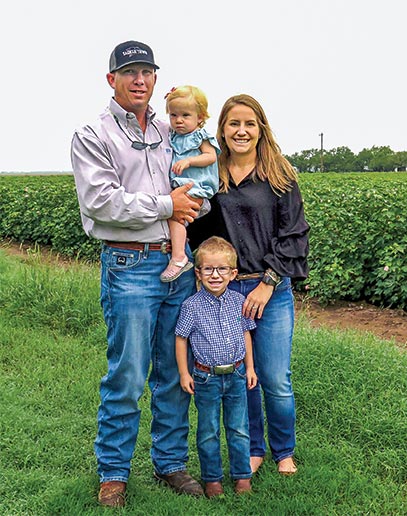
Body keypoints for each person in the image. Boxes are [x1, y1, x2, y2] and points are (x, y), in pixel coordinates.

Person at [70, 40, 206, 508]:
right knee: (127, 374)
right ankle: (113, 472)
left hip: (177, 262)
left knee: (173, 370)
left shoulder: (174, 130)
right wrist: (170, 204)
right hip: (128, 264)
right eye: (129, 72)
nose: (139, 80)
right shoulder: (94, 133)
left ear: (155, 79)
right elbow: (101, 201)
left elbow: (197, 185)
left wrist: (196, 201)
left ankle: (169, 463)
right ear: (112, 80)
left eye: (146, 71)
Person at [187, 93, 310, 476]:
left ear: (260, 129)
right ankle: (254, 450)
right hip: (224, 294)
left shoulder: (279, 175)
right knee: (244, 378)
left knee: (275, 378)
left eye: (249, 124)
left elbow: (294, 235)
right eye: (233, 123)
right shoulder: (212, 175)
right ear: (221, 130)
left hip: (268, 291)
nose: (241, 131)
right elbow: (198, 233)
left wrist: (269, 283)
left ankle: (283, 450)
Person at [175, 236, 258, 497]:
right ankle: (212, 479)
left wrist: (250, 368)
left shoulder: (238, 302)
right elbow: (181, 338)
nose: (215, 275)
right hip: (205, 377)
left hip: (235, 374)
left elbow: (246, 335)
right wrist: (184, 372)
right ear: (198, 273)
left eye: (222, 269)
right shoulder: (191, 306)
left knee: (239, 428)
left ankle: (242, 477)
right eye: (208, 269)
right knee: (208, 430)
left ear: (233, 273)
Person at [160, 85, 220, 283]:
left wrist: (189, 161)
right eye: (173, 115)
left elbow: (210, 157)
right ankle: (178, 246)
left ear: (200, 117)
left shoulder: (200, 136)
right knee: (174, 216)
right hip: (183, 187)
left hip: (197, 186)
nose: (178, 120)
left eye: (185, 115)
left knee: (174, 216)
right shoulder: (174, 137)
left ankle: (179, 257)